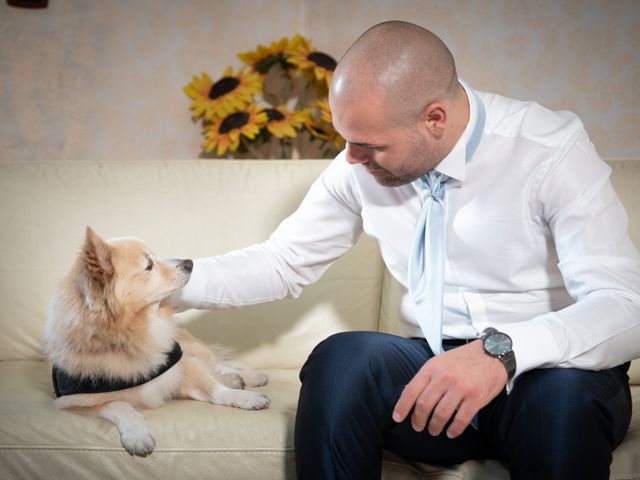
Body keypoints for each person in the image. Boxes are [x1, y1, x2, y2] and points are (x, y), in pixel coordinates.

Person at [174, 21, 640, 479]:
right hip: (434, 380)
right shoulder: (358, 166)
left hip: (554, 375)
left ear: (434, 118)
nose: (351, 159)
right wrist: (153, 279)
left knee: (560, 400)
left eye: (369, 145)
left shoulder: (549, 150)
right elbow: (281, 262)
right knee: (342, 360)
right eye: (346, 140)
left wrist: (501, 354)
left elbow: (625, 305)